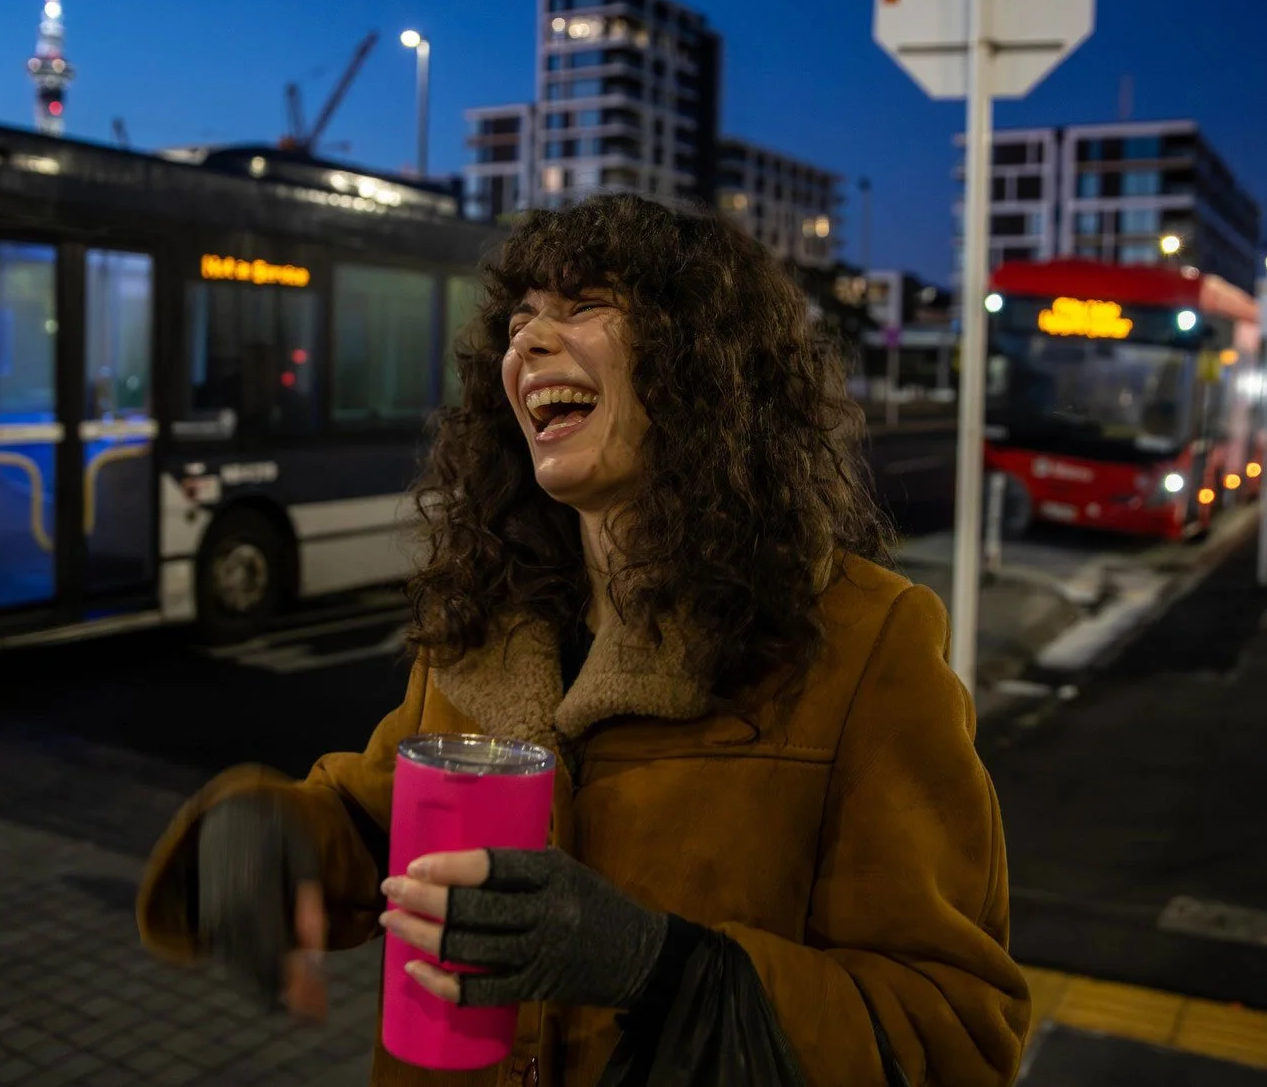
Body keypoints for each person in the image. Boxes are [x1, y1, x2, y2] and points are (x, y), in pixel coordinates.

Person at [137, 195, 1030, 1085]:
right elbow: (380, 826)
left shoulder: (865, 641)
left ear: (704, 361)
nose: (528, 341)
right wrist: (276, 841)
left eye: (585, 305)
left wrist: (660, 968)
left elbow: (955, 1032)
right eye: (519, 320)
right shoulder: (485, 621)